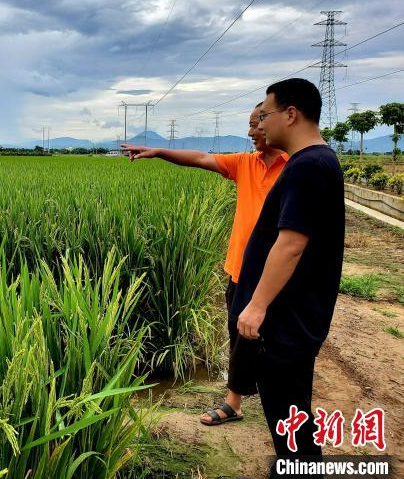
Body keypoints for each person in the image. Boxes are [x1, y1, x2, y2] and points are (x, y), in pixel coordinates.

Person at [121, 103, 289, 426]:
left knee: (279, 344)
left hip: (279, 276)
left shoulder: (294, 167)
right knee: (238, 336)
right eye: (251, 125)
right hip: (240, 270)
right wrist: (157, 151)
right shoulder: (244, 164)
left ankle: (283, 412)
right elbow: (200, 159)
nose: (252, 132)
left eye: (257, 123)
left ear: (277, 123)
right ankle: (234, 404)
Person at [230, 78, 344, 476]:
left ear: (290, 114)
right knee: (289, 413)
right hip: (295, 317)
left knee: (289, 415)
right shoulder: (313, 162)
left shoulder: (309, 166)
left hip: (287, 323)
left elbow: (291, 244)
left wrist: (256, 306)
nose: (260, 123)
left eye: (265, 114)